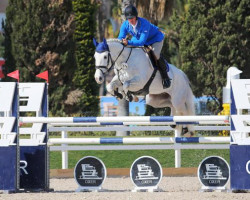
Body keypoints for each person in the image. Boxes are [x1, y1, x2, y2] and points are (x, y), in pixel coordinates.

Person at [118, 5, 171, 88]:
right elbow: (120, 37)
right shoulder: (125, 24)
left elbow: (142, 42)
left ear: (136, 16)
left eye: (132, 18)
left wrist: (128, 42)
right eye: (129, 18)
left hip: (155, 39)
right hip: (139, 38)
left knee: (155, 54)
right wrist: (122, 41)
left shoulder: (144, 23)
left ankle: (165, 76)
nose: (131, 20)